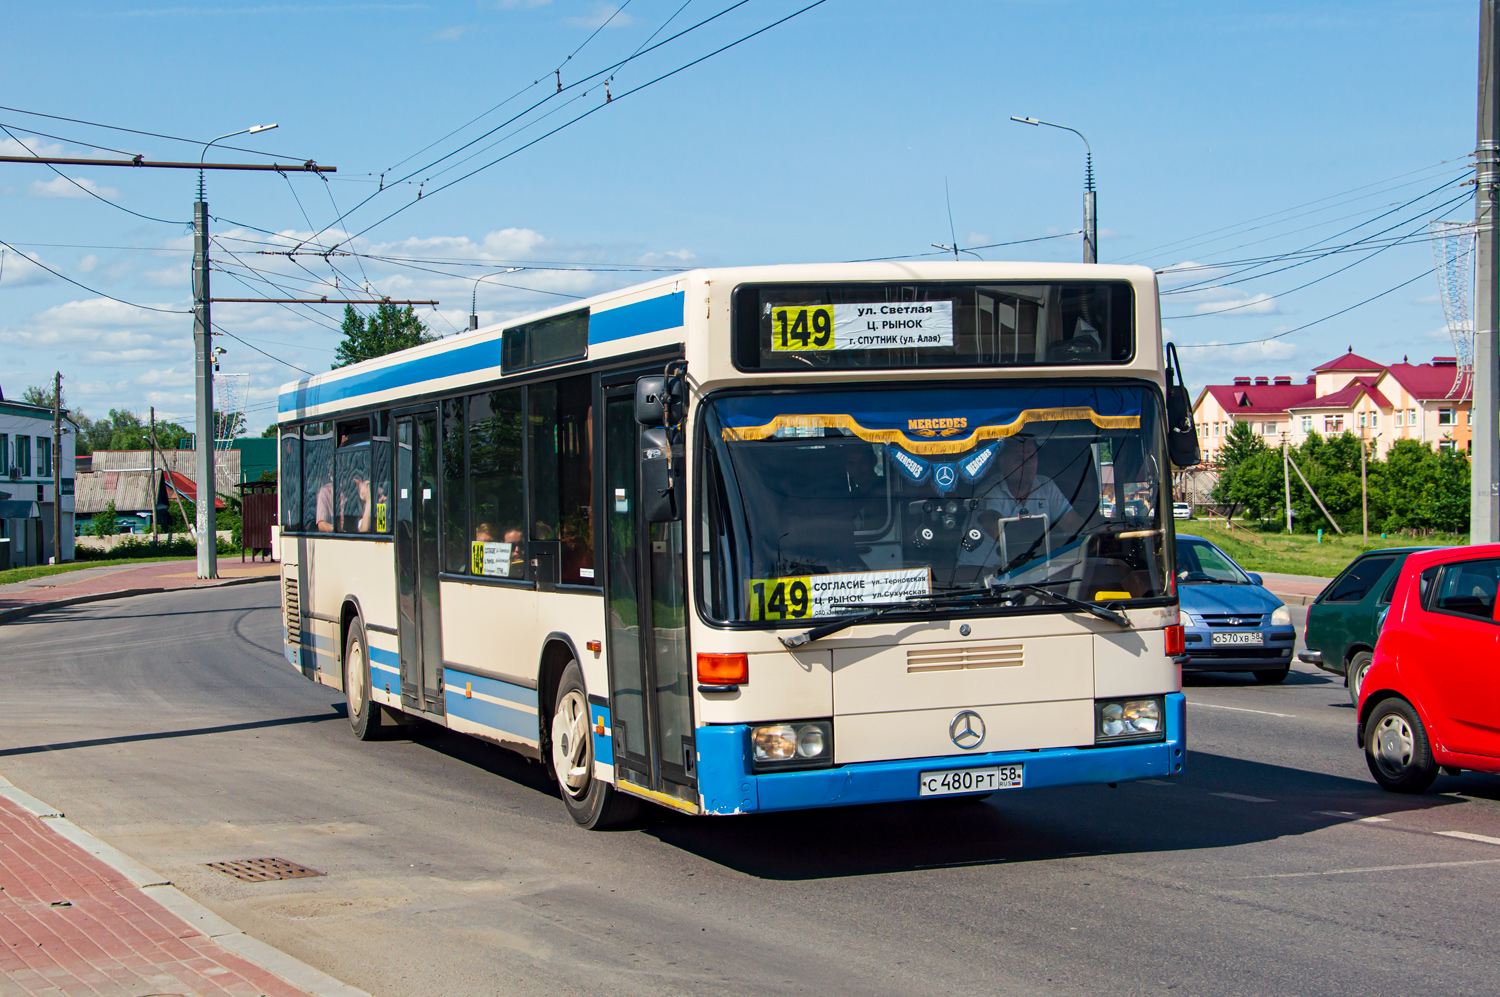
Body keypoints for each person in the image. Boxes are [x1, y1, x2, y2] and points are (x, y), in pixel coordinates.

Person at [957, 435, 1081, 570]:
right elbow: (993, 525)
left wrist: (1088, 538)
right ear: (1002, 463)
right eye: (1019, 459)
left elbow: (1072, 523)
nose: (1028, 464)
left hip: (1025, 568)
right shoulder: (989, 490)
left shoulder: (1046, 486)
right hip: (979, 571)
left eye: (1032, 458)